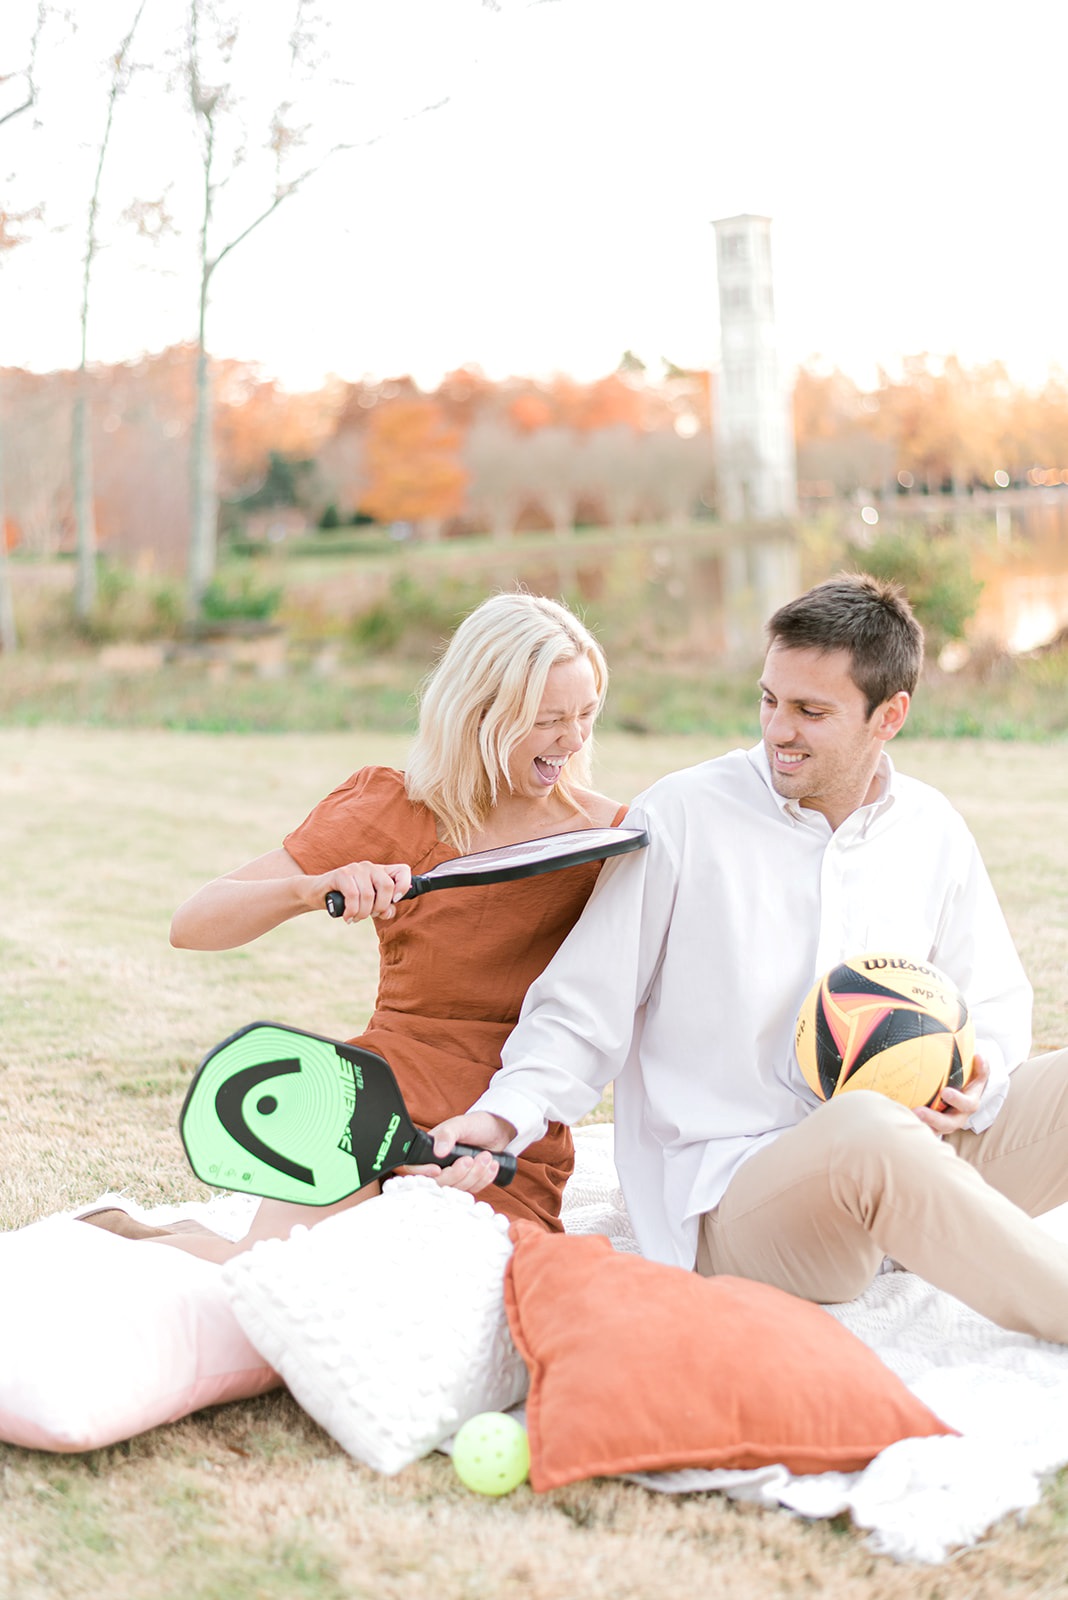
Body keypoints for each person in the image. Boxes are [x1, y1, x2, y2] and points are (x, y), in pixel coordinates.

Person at [433, 572, 1068, 1344]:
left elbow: (992, 1004)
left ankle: (927, 1217)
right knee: (866, 1130)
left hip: (911, 1153)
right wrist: (504, 1118)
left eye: (811, 711)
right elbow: (583, 1007)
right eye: (770, 700)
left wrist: (978, 1080)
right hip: (737, 1202)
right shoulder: (684, 816)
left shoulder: (931, 828)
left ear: (889, 716)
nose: (778, 729)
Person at [80, 591, 624, 1262]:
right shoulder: (390, 807)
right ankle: (138, 1242)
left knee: (414, 1278)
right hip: (371, 1097)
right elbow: (194, 924)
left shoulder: (607, 838)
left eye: (586, 715)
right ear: (479, 716)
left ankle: (156, 1242)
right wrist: (311, 889)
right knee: (278, 1268)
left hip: (504, 1133)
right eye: (548, 721)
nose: (573, 741)